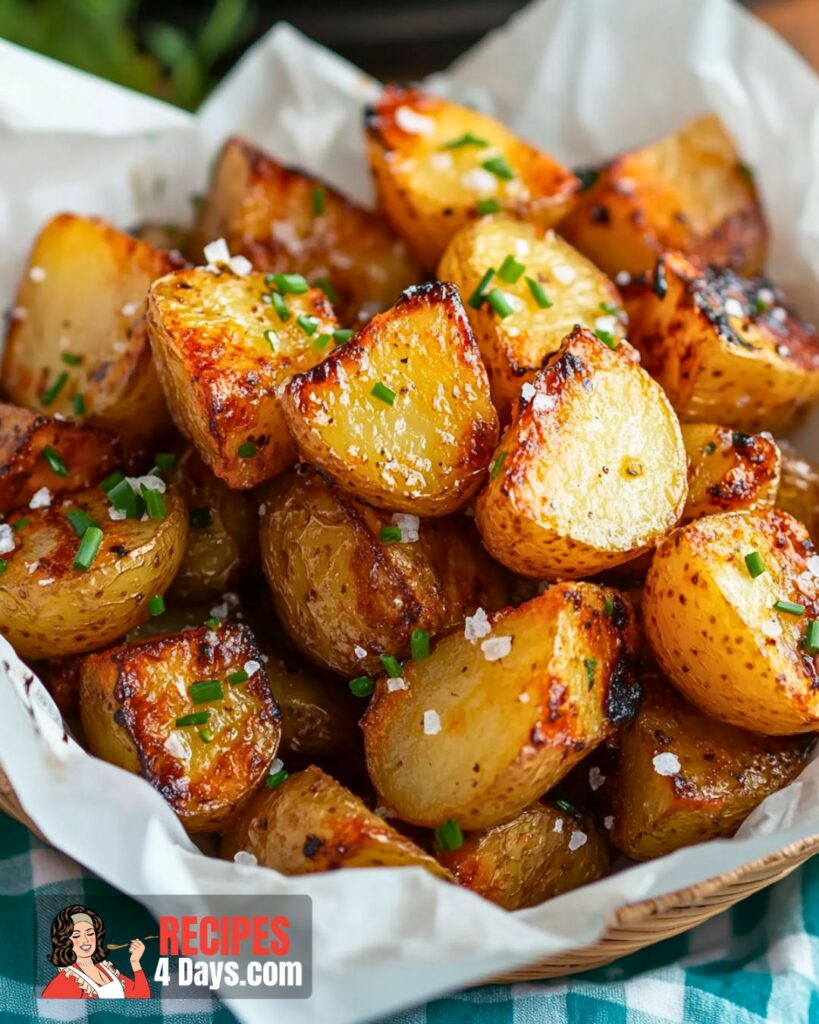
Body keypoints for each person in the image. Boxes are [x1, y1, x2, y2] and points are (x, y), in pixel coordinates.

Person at [41, 904, 150, 999]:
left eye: (90, 933)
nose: (86, 940)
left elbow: (141, 999)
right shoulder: (66, 980)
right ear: (64, 941)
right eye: (76, 935)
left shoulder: (106, 968)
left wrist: (135, 962)